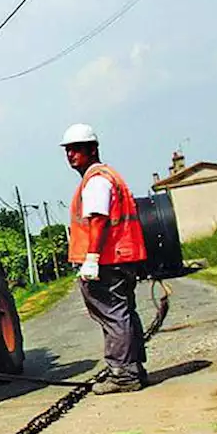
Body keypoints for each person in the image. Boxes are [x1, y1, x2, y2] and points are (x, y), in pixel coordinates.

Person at [60, 123, 149, 395]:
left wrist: (91, 259)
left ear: (93, 150)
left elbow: (98, 220)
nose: (71, 155)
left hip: (107, 261)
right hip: (119, 258)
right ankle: (133, 368)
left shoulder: (96, 180)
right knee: (123, 313)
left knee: (113, 316)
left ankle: (123, 376)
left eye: (77, 149)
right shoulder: (106, 176)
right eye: (68, 150)